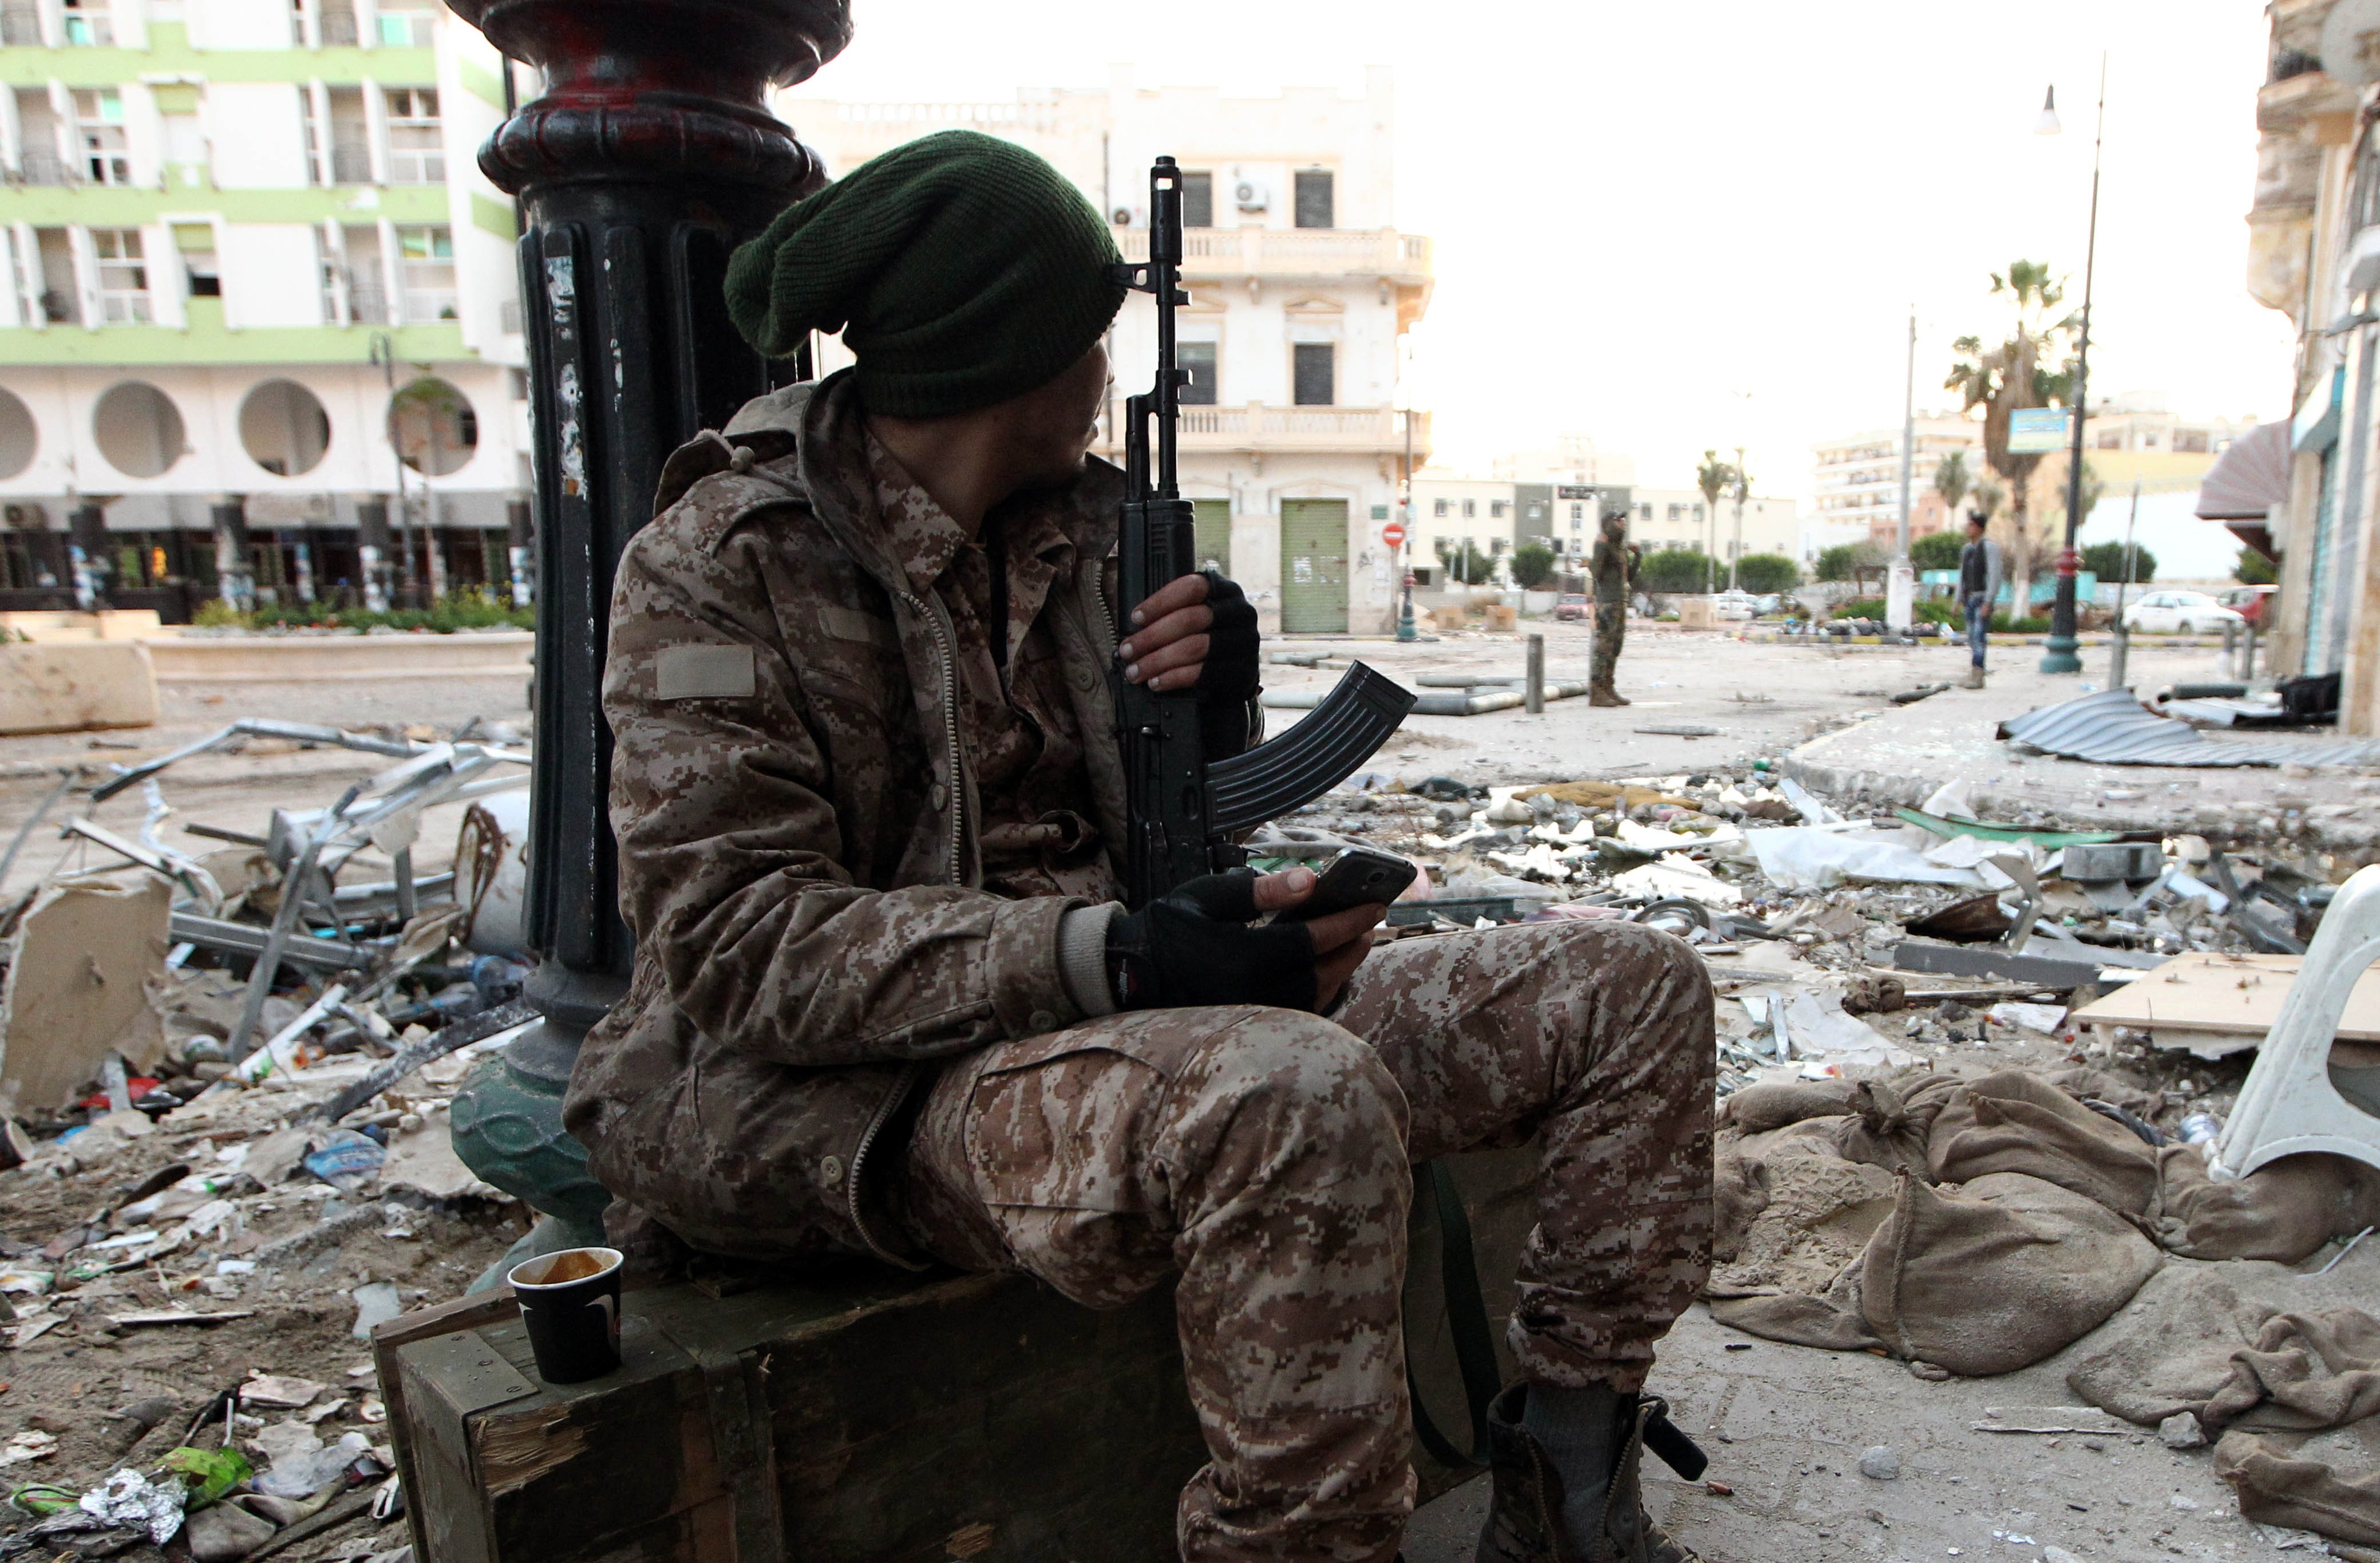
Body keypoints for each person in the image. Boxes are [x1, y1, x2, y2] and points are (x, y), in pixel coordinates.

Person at [564, 131, 1713, 1563]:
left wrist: (1215, 731)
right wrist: (1109, 955)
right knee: (1291, 1092)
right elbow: (737, 951)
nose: (1108, 375)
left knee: (1633, 988)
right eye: (1086, 341)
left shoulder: (1102, 532)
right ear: (1006, 353)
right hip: (859, 1093)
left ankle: (1567, 1480)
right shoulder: (720, 569)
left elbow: (1168, 840)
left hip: (1131, 1020)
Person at [1588, 511, 1633, 706]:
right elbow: (1596, 573)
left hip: (1620, 601)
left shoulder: (1619, 548)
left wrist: (1638, 555)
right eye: (1618, 521)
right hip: (1607, 603)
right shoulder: (1603, 545)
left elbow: (1629, 576)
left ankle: (1608, 687)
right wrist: (1600, 547)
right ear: (1608, 524)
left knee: (1615, 647)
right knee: (1603, 648)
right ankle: (1597, 692)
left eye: (1623, 521)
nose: (1623, 524)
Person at [1958, 512, 2004, 689]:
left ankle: (1978, 676)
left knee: (1979, 637)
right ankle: (1974, 671)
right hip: (1969, 598)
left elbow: (1995, 575)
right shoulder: (1967, 550)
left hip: (1982, 598)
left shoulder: (1989, 548)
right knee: (1971, 636)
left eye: (1970, 525)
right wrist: (1958, 600)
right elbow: (1963, 576)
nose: (1967, 529)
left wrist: (1989, 601)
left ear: (1979, 528)